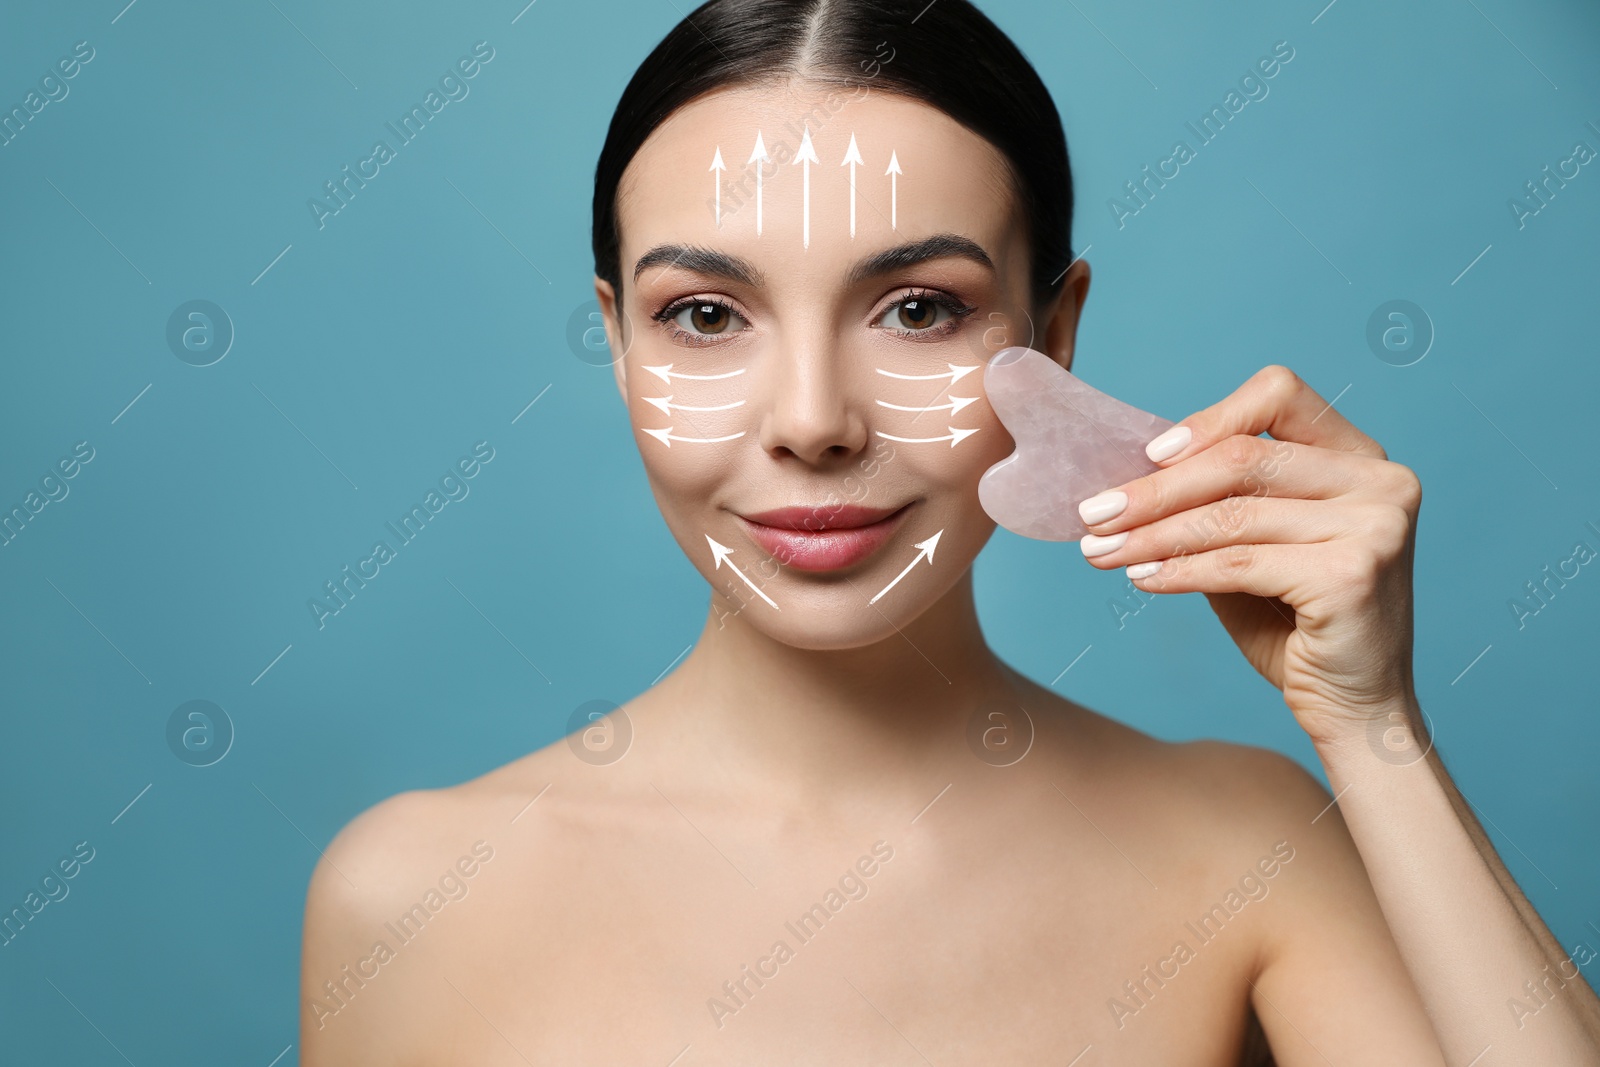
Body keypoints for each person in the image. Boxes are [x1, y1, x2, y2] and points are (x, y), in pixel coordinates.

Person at [300, 1, 1600, 1062]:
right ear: (620, 344)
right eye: (704, 317)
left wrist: (1373, 728)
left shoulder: (1247, 849)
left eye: (918, 308)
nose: (812, 422)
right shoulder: (411, 895)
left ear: (1056, 336)